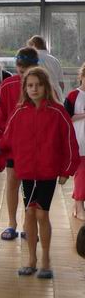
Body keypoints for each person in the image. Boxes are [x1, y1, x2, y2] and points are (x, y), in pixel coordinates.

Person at [0, 67, 79, 279]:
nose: (34, 89)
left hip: (48, 173)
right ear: (25, 88)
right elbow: (5, 141)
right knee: (29, 213)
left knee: (42, 214)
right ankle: (31, 260)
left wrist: (67, 170)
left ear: (46, 87)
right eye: (30, 85)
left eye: (39, 85)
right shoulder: (19, 113)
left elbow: (69, 142)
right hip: (26, 173)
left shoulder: (58, 112)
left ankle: (46, 260)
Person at [0, 46, 39, 241]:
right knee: (12, 182)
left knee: (31, 187)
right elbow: (0, 117)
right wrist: (2, 142)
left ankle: (28, 225)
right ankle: (12, 223)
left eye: (28, 72)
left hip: (34, 147)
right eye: (21, 72)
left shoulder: (42, 87)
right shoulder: (7, 86)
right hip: (13, 145)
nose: (24, 77)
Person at [64, 62, 85, 221]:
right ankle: (79, 205)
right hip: (80, 140)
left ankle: (77, 204)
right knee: (81, 174)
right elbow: (66, 117)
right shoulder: (73, 95)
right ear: (82, 76)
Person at [28, 35, 65, 101]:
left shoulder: (32, 59)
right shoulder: (55, 60)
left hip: (40, 97)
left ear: (33, 45)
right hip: (56, 96)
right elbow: (61, 84)